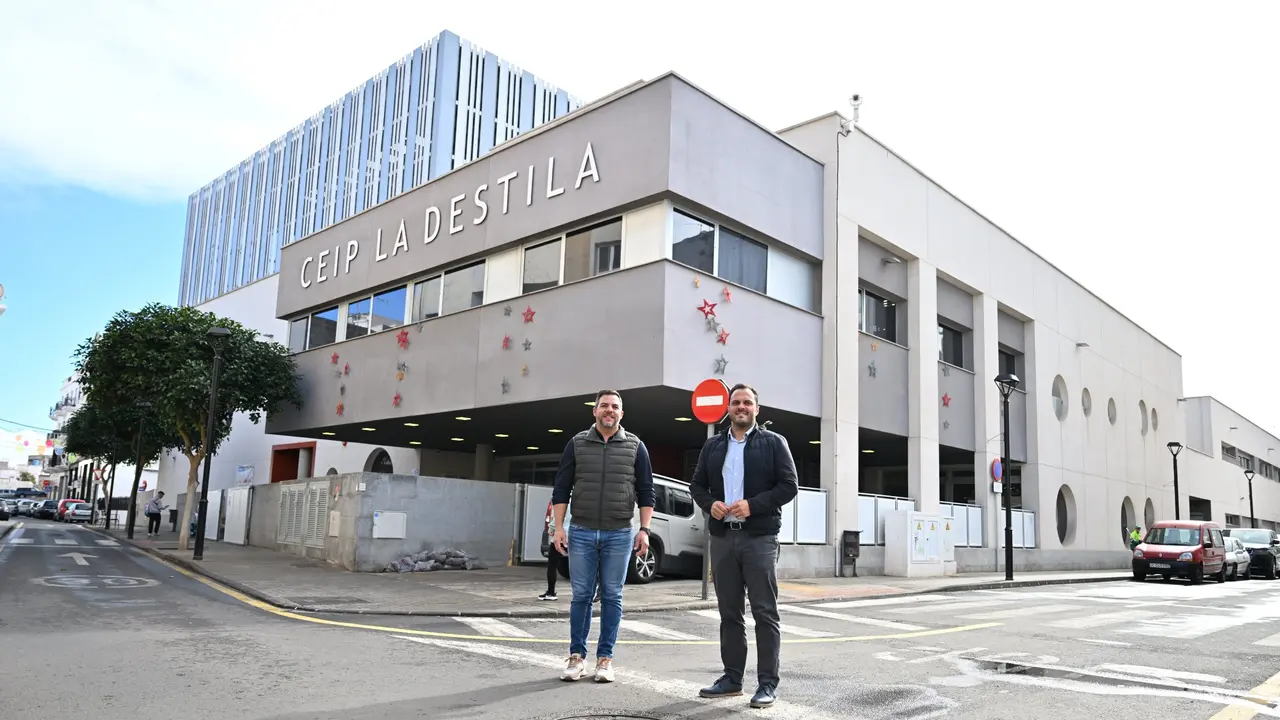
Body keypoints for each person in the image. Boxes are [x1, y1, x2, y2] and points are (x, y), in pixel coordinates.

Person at [689, 383, 798, 709]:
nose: (741, 407)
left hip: (759, 538)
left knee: (764, 612)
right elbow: (697, 485)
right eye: (736, 402)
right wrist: (710, 504)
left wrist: (753, 505)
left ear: (756, 409)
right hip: (723, 538)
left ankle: (767, 684)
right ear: (728, 408)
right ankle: (732, 679)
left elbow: (789, 486)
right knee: (729, 613)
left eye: (747, 402)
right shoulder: (713, 445)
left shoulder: (774, 443)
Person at [550, 389, 655, 684]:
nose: (609, 410)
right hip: (581, 531)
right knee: (581, 595)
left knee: (612, 595)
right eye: (604, 406)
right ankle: (576, 656)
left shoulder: (636, 446)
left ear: (622, 413)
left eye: (615, 406)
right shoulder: (577, 443)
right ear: (594, 411)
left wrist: (644, 529)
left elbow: (646, 491)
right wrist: (559, 527)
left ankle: (605, 659)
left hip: (619, 532)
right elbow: (562, 487)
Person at [539, 499, 560, 601]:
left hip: (559, 535)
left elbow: (556, 516)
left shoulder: (560, 499)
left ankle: (551, 592)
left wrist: (551, 528)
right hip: (576, 535)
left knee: (552, 564)